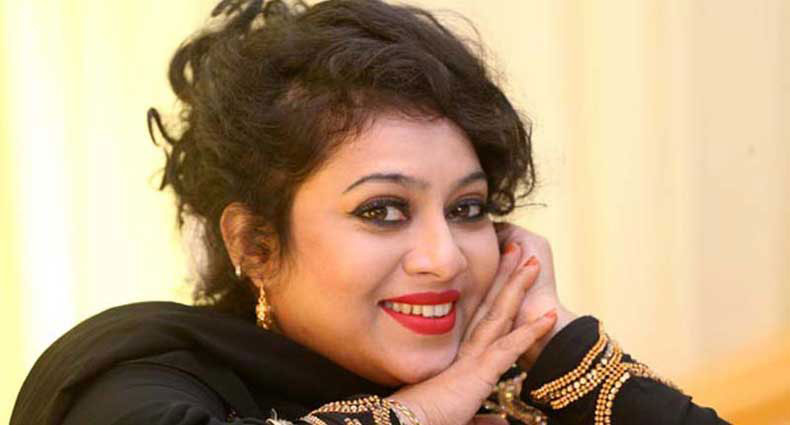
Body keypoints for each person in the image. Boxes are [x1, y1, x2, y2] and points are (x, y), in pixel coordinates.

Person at [11, 1, 729, 424]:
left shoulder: (506, 394)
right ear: (255, 243)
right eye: (383, 209)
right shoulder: (136, 382)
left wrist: (557, 336)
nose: (444, 258)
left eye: (468, 208)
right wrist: (426, 410)